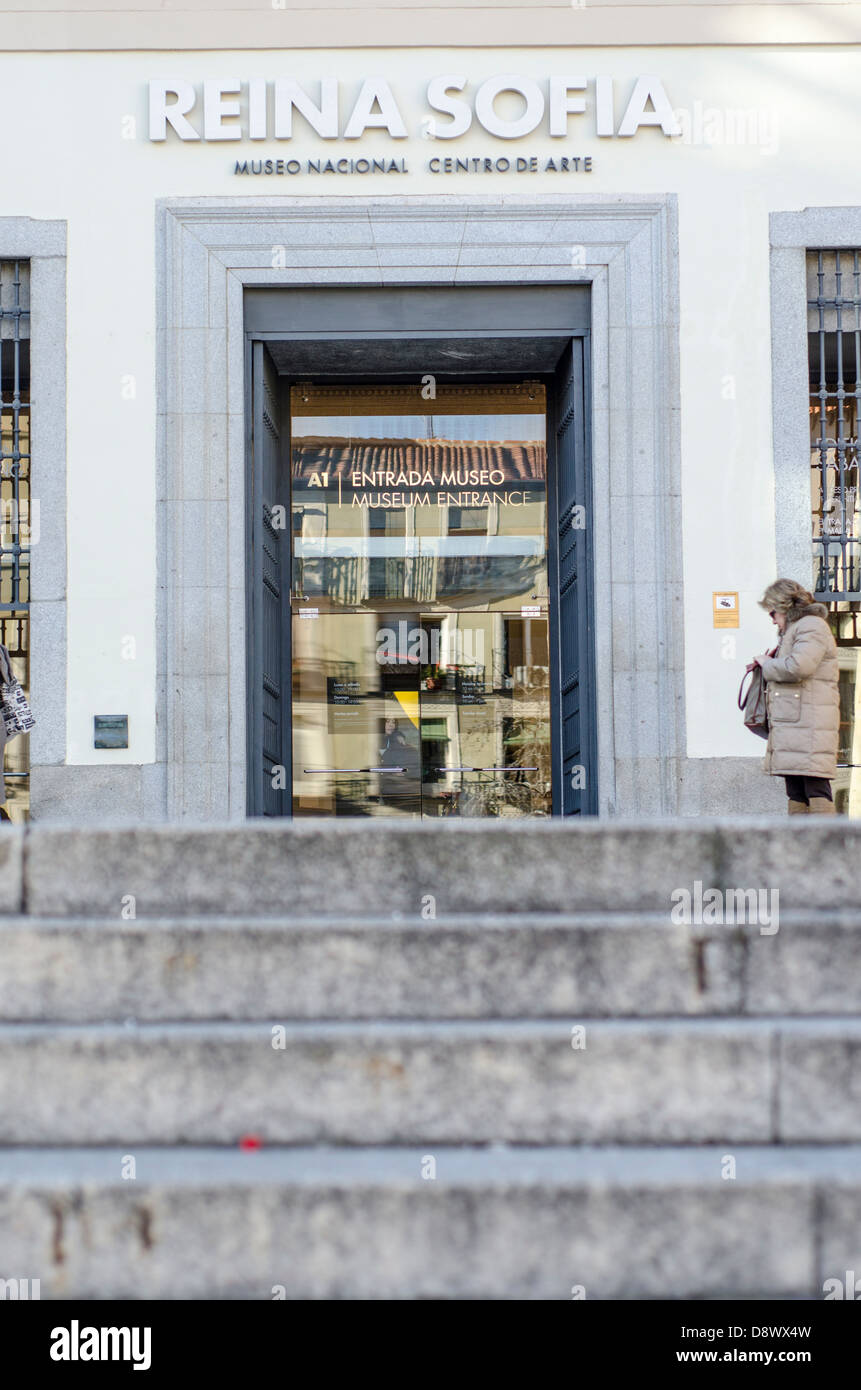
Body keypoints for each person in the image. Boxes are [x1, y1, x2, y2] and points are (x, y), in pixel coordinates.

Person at [749, 580, 839, 815]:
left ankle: (826, 848)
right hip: (796, 724)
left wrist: (768, 664)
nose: (772, 619)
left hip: (809, 724)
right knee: (797, 790)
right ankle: (801, 848)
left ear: (784, 606)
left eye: (772, 612)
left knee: (815, 788)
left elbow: (799, 666)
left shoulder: (811, 626)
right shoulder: (797, 629)